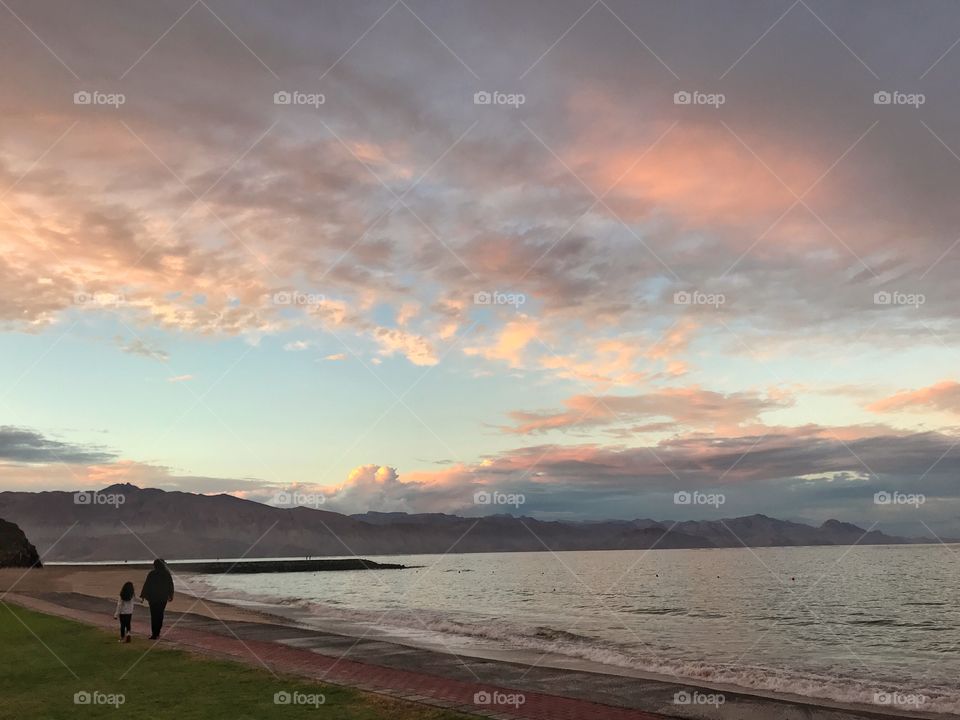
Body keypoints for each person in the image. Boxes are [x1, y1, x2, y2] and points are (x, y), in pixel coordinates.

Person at [140, 558, 174, 640]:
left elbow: (147, 585)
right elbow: (170, 585)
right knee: (160, 614)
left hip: (153, 598)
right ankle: (157, 632)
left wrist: (143, 596)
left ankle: (154, 633)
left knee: (154, 615)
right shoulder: (166, 573)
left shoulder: (152, 573)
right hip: (162, 598)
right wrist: (170, 595)